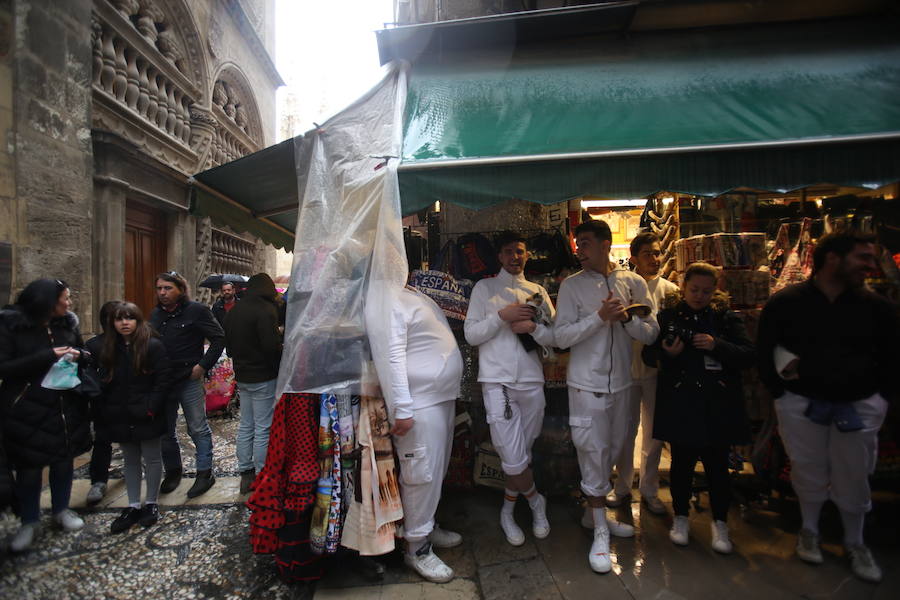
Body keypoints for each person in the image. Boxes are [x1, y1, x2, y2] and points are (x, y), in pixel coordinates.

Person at [757, 231, 898, 583]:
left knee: (855, 474)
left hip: (860, 405)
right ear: (833, 258)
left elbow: (894, 358)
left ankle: (855, 541)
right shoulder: (786, 303)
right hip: (801, 404)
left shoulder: (878, 308)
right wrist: (781, 395)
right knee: (808, 469)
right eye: (862, 257)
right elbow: (765, 350)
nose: (870, 265)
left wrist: (879, 400)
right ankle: (809, 531)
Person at [553, 219, 659, 574]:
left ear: (604, 244)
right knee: (592, 454)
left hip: (624, 386)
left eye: (584, 243)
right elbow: (561, 337)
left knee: (614, 451)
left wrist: (627, 320)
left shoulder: (633, 282)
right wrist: (599, 318)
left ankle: (592, 515)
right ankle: (600, 530)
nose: (578, 249)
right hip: (586, 386)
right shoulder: (571, 287)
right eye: (577, 244)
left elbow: (651, 333)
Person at [645, 262, 755, 554]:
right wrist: (667, 354)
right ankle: (680, 517)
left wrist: (716, 345)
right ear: (683, 285)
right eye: (694, 289)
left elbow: (747, 355)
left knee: (717, 467)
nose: (699, 295)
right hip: (682, 402)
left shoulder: (725, 318)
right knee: (681, 464)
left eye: (706, 291)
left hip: (717, 403)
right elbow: (648, 353)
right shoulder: (668, 315)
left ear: (715, 290)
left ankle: (720, 522)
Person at [464, 231, 554, 546]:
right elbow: (472, 334)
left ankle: (507, 508)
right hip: (497, 382)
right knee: (513, 458)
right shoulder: (484, 289)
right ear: (499, 257)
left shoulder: (538, 291)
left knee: (522, 452)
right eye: (508, 252)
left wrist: (534, 329)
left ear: (526, 254)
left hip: (532, 381)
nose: (515, 257)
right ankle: (535, 501)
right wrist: (503, 316)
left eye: (520, 250)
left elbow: (553, 340)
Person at [0, 279, 92, 552]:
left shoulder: (67, 324)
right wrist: (46, 356)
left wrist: (80, 355)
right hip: (27, 408)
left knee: (63, 462)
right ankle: (29, 520)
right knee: (29, 468)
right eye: (65, 298)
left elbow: (84, 351)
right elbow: (4, 367)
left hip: (64, 405)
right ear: (48, 302)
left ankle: (60, 510)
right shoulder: (11, 326)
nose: (69, 302)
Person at [381, 284, 464, 583]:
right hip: (419, 402)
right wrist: (402, 407)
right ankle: (416, 547)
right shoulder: (389, 299)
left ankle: (426, 526)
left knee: (435, 470)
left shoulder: (413, 293)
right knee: (421, 473)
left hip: (439, 398)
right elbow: (392, 353)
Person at [606, 232, 678, 514]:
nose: (656, 258)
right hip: (624, 369)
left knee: (654, 433)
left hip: (656, 371)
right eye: (648, 253)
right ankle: (622, 486)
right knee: (624, 431)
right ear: (633, 258)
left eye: (658, 252)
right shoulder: (624, 286)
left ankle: (649, 489)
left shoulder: (670, 291)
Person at [96, 302, 172, 533]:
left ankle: (151, 502)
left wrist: (151, 407)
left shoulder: (153, 346)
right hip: (121, 413)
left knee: (152, 457)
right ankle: (132, 504)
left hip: (146, 413)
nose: (124, 323)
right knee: (130, 460)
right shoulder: (108, 348)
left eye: (129, 318)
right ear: (113, 323)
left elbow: (163, 380)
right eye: (119, 319)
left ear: (138, 321)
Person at [150, 271, 225, 498]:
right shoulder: (155, 315)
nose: (163, 293)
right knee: (166, 430)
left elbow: (219, 338)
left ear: (180, 290)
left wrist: (202, 366)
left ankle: (204, 472)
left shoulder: (197, 311)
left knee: (197, 427)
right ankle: (173, 471)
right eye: (160, 288)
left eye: (168, 288)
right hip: (164, 380)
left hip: (189, 378)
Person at [224, 273, 283, 494]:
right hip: (263, 377)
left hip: (243, 376)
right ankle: (262, 475)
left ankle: (245, 472)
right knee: (263, 428)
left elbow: (228, 348)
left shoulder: (234, 311)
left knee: (246, 424)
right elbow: (270, 348)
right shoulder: (265, 310)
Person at [83, 300, 124, 505]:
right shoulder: (94, 346)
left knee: (122, 440)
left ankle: (100, 480)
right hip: (105, 401)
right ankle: (98, 480)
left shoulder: (134, 343)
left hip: (127, 400)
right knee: (102, 440)